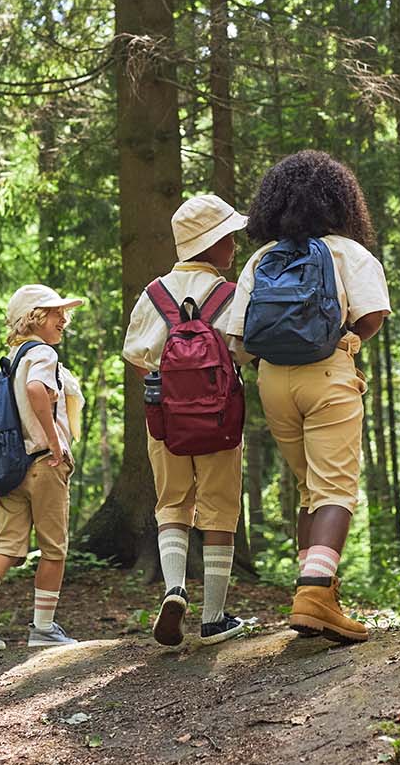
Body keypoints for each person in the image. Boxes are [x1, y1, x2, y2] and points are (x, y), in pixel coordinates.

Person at [225, 152, 390, 643]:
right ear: (341, 201)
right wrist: (342, 338)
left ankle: (320, 597)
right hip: (328, 373)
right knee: (336, 489)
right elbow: (373, 317)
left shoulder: (261, 258)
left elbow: (239, 339)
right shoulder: (348, 253)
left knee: (308, 489)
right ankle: (315, 590)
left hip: (274, 382)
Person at [123, 194, 251, 647]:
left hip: (165, 419)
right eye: (228, 236)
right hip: (220, 419)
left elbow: (137, 356)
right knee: (220, 508)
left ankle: (175, 588)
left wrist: (172, 389)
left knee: (172, 502)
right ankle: (214, 617)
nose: (234, 244)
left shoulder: (154, 293)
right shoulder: (230, 295)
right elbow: (244, 351)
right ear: (211, 243)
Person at [0, 284, 84, 651]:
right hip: (45, 462)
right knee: (54, 548)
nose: (64, 319)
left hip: (10, 467)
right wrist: (56, 441)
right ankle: (43, 628)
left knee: (8, 545)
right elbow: (35, 391)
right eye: (56, 312)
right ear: (36, 317)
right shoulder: (42, 353)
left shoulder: (11, 360)